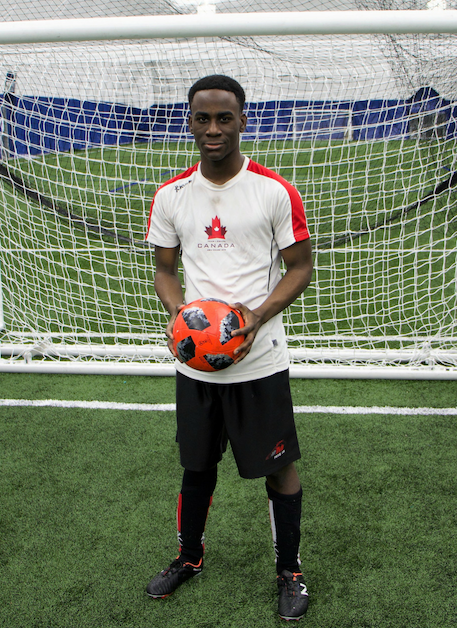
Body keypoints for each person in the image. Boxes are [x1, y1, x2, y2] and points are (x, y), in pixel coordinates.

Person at [143, 74, 314, 621]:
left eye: (223, 118)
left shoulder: (274, 190)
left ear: (242, 120)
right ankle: (188, 558)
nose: (212, 129)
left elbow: (301, 267)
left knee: (279, 467)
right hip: (197, 368)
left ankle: (290, 571)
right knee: (196, 467)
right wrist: (185, 322)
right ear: (189, 122)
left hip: (259, 362)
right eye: (202, 118)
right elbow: (164, 271)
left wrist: (255, 318)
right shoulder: (171, 195)